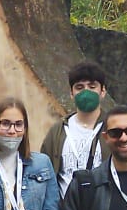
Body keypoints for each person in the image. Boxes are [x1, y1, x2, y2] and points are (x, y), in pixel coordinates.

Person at [39, 61, 110, 196]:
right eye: (79, 87)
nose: (86, 92)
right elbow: (44, 172)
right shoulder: (57, 131)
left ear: (103, 92)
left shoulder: (114, 129)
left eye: (92, 86)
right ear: (71, 93)